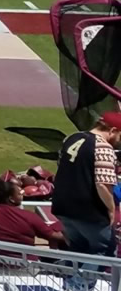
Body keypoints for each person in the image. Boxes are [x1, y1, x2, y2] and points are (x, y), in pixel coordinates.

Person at [52, 110, 120, 257]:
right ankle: (82, 281)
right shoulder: (103, 147)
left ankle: (72, 280)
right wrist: (110, 209)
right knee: (104, 251)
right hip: (89, 211)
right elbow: (103, 184)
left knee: (77, 250)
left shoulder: (71, 138)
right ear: (113, 130)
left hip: (63, 206)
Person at [0, 174, 65, 251]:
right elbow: (54, 237)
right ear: (11, 198)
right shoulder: (30, 217)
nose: (23, 194)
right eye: (20, 193)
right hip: (25, 267)